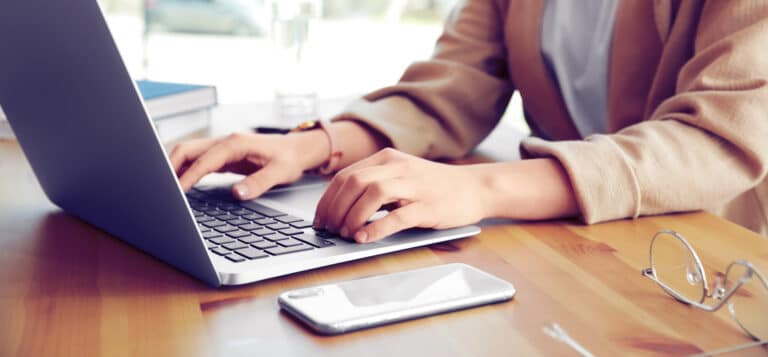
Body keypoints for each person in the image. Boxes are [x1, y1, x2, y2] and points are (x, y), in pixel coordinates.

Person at [171, 0, 768, 243]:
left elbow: (715, 138)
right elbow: (456, 82)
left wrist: (477, 188)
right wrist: (315, 145)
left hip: (705, 250)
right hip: (583, 238)